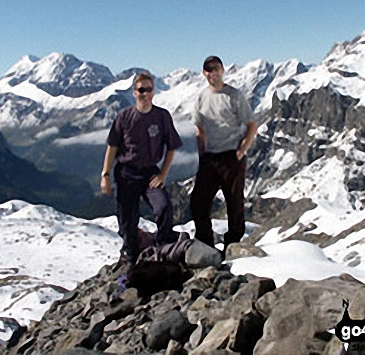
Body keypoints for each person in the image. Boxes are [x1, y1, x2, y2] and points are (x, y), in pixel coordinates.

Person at [101, 72, 183, 266]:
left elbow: (172, 146)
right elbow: (112, 146)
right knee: (127, 219)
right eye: (141, 90)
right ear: (134, 92)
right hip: (126, 173)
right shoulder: (124, 117)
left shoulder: (162, 117)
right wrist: (105, 175)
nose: (145, 94)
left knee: (163, 207)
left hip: (150, 173)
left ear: (154, 92)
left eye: (149, 89)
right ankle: (131, 258)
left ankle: (163, 249)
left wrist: (163, 174)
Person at [190, 56, 257, 253]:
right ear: (204, 73)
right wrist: (202, 156)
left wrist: (241, 151)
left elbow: (252, 125)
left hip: (231, 157)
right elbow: (199, 129)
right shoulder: (202, 97)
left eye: (216, 69)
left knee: (234, 205)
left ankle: (232, 247)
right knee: (198, 203)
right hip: (210, 158)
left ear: (223, 71)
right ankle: (206, 245)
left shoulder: (234, 95)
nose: (213, 73)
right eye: (209, 70)